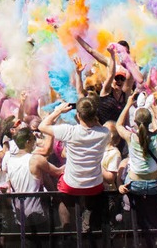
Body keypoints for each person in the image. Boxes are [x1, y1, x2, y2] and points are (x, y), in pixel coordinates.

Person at [38, 96, 110, 239]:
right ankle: (88, 213)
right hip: (94, 185)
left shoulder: (69, 131)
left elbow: (42, 126)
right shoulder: (105, 133)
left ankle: (67, 228)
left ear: (78, 115)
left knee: (63, 197)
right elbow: (98, 125)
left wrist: (57, 111)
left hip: (71, 185)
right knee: (93, 193)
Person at [116, 92, 157, 247]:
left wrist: (127, 104)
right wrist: (153, 107)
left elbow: (118, 125)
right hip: (153, 186)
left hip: (134, 185)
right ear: (150, 122)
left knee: (136, 215)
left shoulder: (131, 137)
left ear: (135, 122)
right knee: (155, 216)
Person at [7, 128, 63, 231]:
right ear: (28, 142)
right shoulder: (35, 159)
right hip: (38, 213)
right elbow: (58, 172)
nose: (35, 143)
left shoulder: (9, 161)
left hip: (21, 215)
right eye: (34, 140)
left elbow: (44, 178)